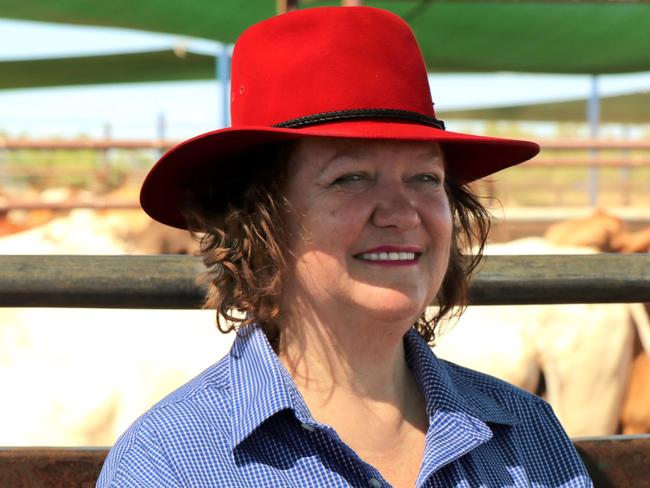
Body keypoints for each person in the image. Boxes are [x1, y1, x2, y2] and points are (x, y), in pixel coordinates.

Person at [98, 6, 592, 487]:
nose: (401, 213)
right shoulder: (171, 465)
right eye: (350, 177)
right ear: (258, 218)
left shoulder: (527, 436)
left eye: (426, 177)